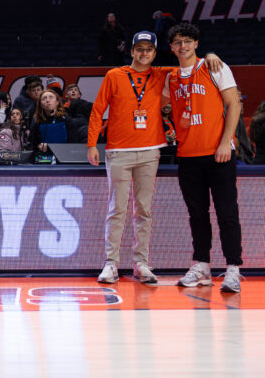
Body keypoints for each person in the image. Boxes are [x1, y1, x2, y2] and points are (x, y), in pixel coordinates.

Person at [166, 23, 244, 292]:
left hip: (218, 152)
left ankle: (233, 268)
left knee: (227, 213)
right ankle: (202, 265)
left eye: (187, 41)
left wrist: (226, 142)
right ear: (171, 48)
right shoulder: (171, 77)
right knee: (196, 215)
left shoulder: (215, 66)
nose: (183, 46)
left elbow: (234, 104)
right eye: (177, 42)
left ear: (196, 44)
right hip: (187, 155)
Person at [88, 32, 171, 284]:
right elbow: (98, 109)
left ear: (155, 53)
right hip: (118, 151)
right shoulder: (115, 75)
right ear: (132, 51)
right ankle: (111, 263)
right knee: (117, 209)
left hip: (150, 150)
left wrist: (208, 59)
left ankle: (140, 263)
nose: (144, 53)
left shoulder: (160, 74)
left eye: (148, 49)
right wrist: (92, 144)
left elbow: (189, 64)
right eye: (139, 49)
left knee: (143, 210)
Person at [29, 88, 80, 158]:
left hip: (65, 159)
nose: (47, 100)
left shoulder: (67, 121)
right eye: (44, 98)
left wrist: (50, 147)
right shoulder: (37, 123)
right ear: (40, 105)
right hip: (44, 161)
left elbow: (73, 146)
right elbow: (33, 146)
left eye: (51, 97)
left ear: (57, 102)